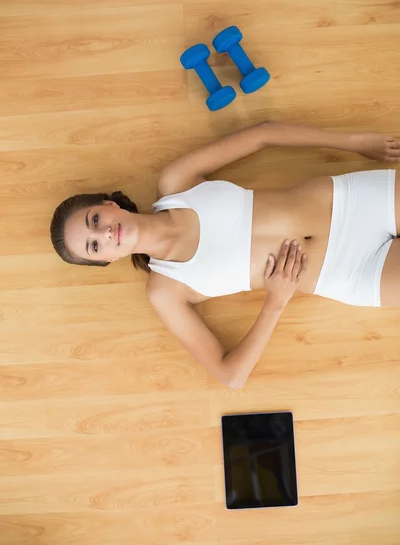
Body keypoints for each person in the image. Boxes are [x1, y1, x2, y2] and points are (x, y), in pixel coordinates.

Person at [50, 122, 400, 389]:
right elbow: (230, 374)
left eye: (94, 221)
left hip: (353, 201)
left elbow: (262, 135)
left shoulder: (176, 182)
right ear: (106, 260)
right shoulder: (166, 290)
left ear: (108, 205)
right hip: (350, 272)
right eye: (94, 246)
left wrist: (355, 143)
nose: (105, 234)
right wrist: (276, 301)